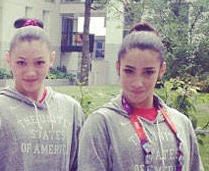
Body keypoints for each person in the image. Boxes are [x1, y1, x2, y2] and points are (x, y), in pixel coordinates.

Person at [78, 22, 205, 171]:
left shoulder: (182, 123)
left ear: (161, 70)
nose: (138, 83)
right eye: (129, 71)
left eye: (148, 72)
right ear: (118, 67)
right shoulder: (101, 123)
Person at [0, 18, 84, 171]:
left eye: (39, 63)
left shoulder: (71, 109)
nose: (30, 72)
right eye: (21, 63)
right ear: (8, 59)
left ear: (51, 59)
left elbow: (79, 164)